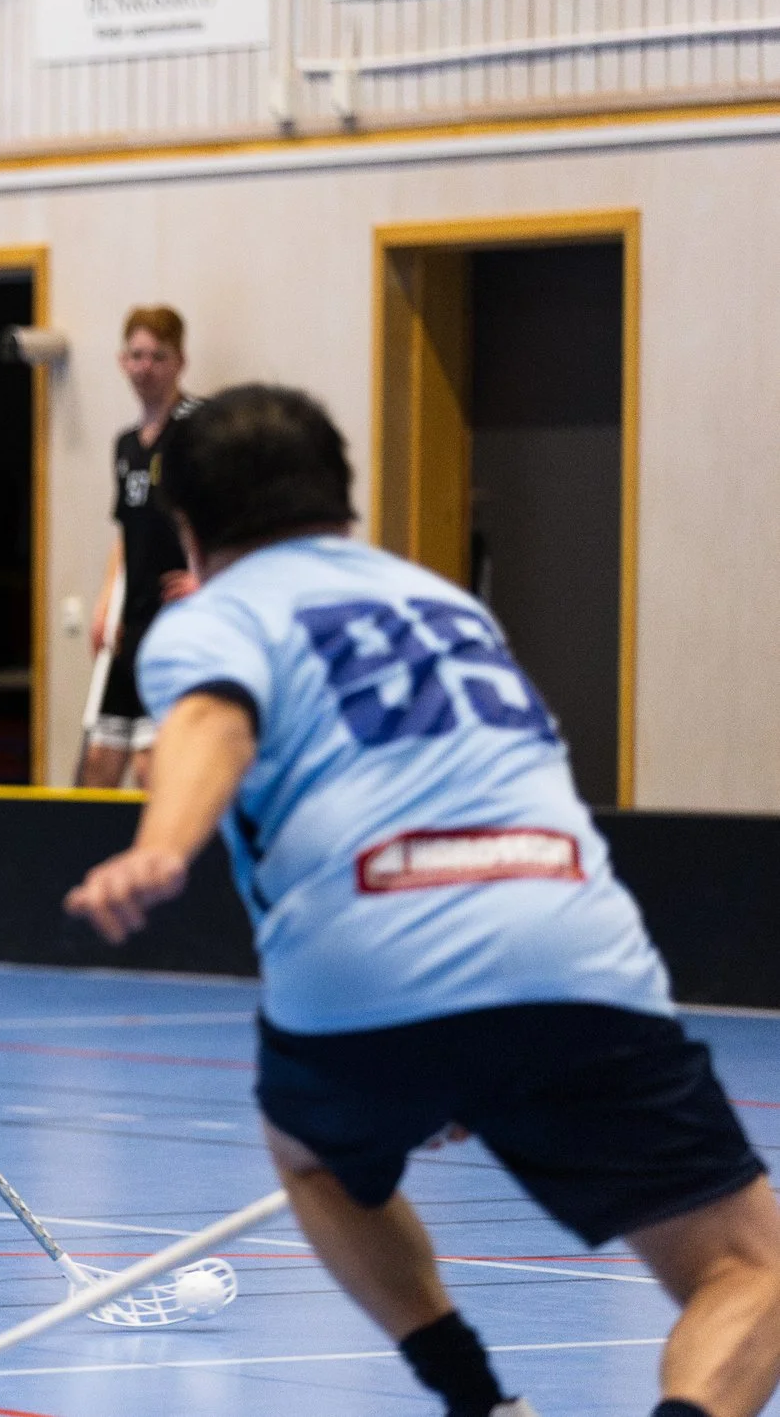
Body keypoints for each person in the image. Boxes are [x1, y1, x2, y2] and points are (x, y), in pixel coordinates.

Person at [64, 384, 780, 1417]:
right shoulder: (446, 601)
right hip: (570, 950)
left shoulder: (210, 615)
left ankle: (476, 1398)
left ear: (186, 525)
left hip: (365, 981)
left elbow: (213, 722)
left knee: (311, 1153)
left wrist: (161, 844)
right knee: (746, 1268)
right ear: (342, 500)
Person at [82, 305, 200, 789]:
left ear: (179, 362)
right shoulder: (126, 445)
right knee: (99, 766)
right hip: (131, 622)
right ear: (121, 360)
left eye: (157, 356)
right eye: (136, 355)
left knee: (155, 767)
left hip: (174, 624)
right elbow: (125, 533)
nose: (145, 367)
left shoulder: (197, 431)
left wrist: (204, 580)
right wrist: (106, 600)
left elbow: (224, 516)